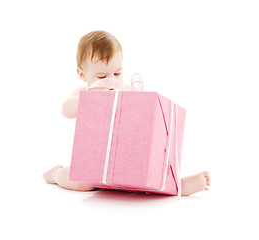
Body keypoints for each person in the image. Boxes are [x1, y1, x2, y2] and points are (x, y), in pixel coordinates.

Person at [42, 30, 211, 196]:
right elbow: (66, 109)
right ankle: (57, 174)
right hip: (94, 161)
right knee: (83, 183)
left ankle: (176, 184)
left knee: (143, 175)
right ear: (82, 74)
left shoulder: (126, 91)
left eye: (117, 73)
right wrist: (89, 99)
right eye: (101, 76)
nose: (112, 80)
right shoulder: (83, 93)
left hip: (126, 158)